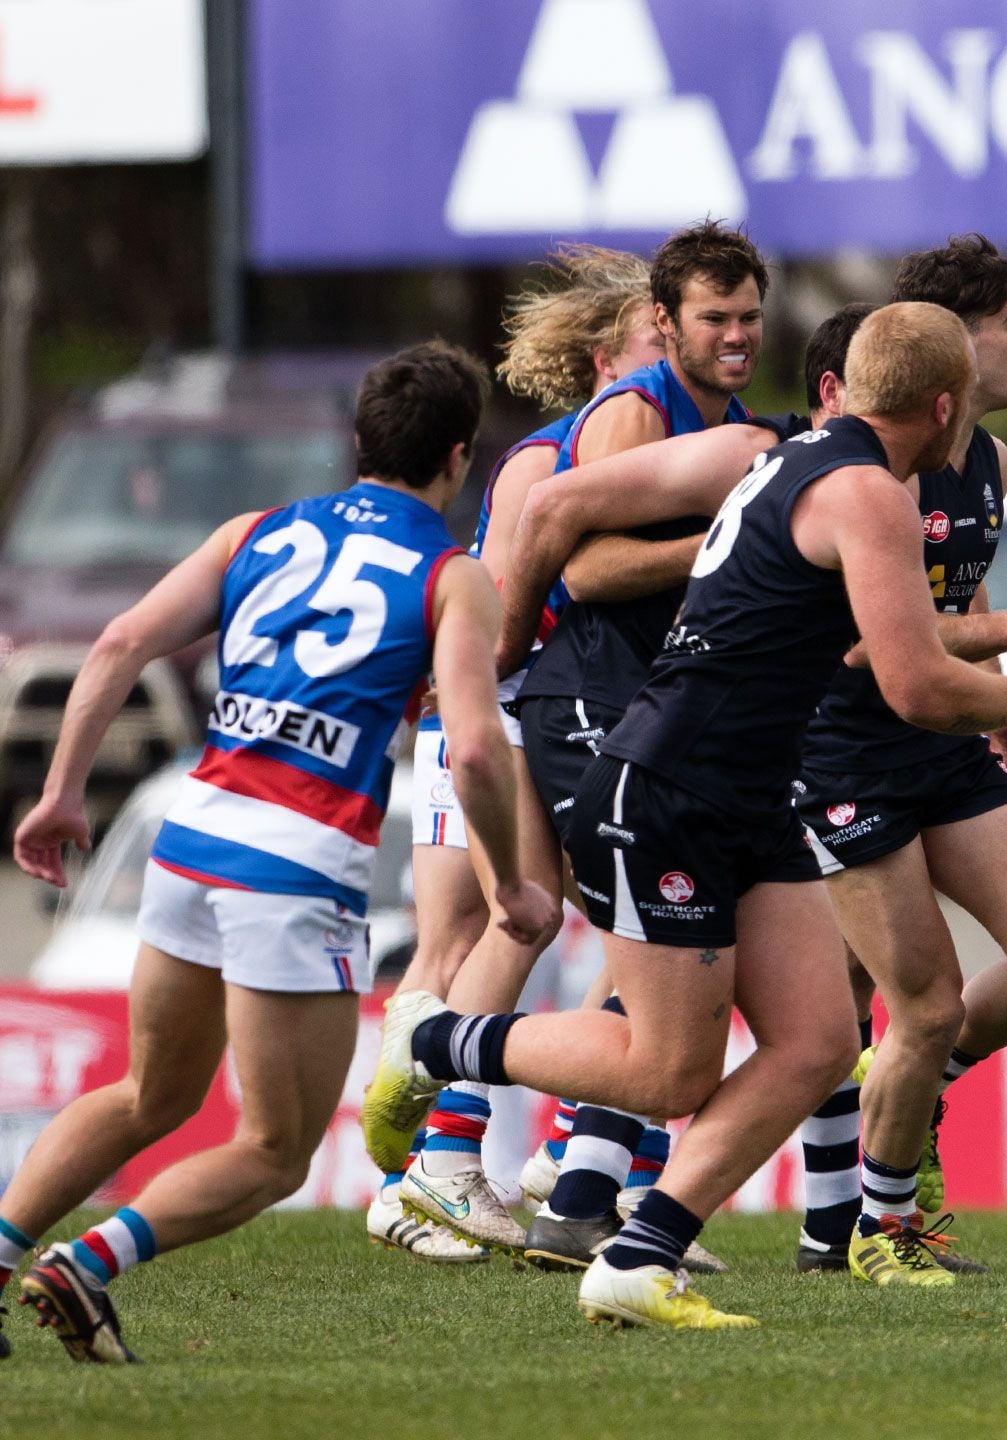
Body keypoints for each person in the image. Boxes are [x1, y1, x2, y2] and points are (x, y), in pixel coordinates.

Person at [364, 303, 1007, 1331]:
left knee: (816, 1043)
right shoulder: (868, 491)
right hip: (672, 787)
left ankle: (640, 1256)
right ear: (943, 405)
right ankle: (439, 1039)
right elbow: (914, 682)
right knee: (671, 1070)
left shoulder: (784, 455)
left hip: (754, 792)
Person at [1, 344, 555, 1363]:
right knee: (275, 1151)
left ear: (357, 441)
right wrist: (512, 882)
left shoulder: (256, 531)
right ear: (460, 456)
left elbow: (120, 641)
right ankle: (87, 1263)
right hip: (295, 869)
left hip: (192, 839)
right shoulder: (452, 575)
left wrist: (62, 791)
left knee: (149, 1095)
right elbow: (476, 749)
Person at [784, 235, 1007, 1284]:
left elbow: (951, 588)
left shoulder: (990, 462)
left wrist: (992, 693)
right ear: (952, 347)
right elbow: (868, 643)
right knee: (904, 1004)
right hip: (840, 750)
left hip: (941, 736)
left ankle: (914, 1094)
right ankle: (870, 1230)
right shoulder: (861, 467)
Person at [382, 244, 660, 1262]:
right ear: (603, 361)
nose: (677, 357)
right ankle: (424, 1174)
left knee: (633, 931)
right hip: (492, 717)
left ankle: (572, 1157)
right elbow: (494, 622)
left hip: (546, 717)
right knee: (477, 932)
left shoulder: (658, 452)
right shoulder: (552, 459)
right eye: (657, 340)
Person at [501, 221, 764, 1272]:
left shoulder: (729, 420)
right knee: (644, 958)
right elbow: (589, 569)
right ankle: (443, 1073)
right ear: (666, 321)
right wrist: (730, 545)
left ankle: (581, 1191)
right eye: (716, 318)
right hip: (587, 704)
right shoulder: (636, 411)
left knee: (662, 959)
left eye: (750, 318)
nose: (737, 336)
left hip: (655, 713)